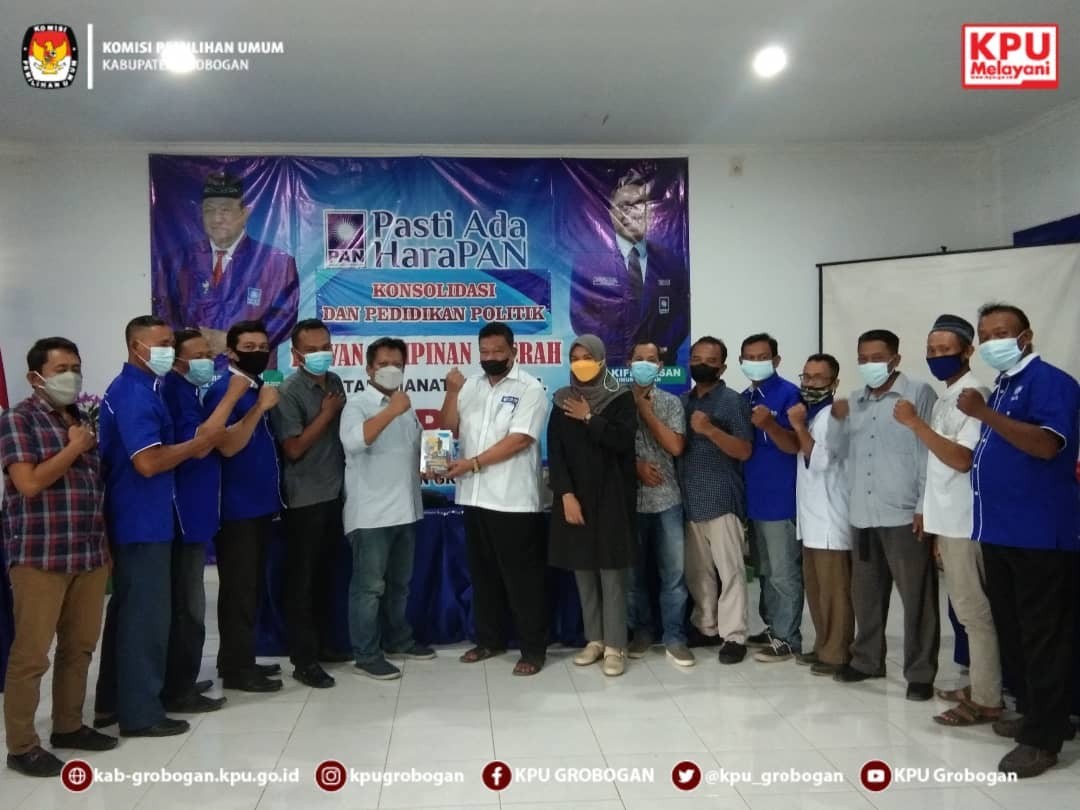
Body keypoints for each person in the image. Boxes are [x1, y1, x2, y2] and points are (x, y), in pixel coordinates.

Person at [93, 316, 226, 737]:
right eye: (163, 343)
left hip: (151, 518)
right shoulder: (134, 394)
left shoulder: (149, 388)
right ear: (137, 347)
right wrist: (196, 444)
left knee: (136, 614)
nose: (171, 350)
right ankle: (141, 713)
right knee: (145, 620)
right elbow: (148, 462)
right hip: (140, 520)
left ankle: (115, 703)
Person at [964, 303, 1079, 778]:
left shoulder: (1049, 381)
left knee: (1043, 636)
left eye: (1002, 332)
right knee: (1014, 631)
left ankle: (1043, 740)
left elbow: (1047, 445)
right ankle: (1039, 714)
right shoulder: (1005, 384)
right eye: (985, 334)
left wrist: (983, 413)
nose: (992, 342)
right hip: (1001, 528)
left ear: (1025, 336)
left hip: (1040, 532)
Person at [1, 338, 115, 777]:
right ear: (35, 377)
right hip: (40, 555)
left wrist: (106, 551)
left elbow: (92, 489)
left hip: (88, 552)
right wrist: (73, 448)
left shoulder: (80, 419)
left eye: (76, 367)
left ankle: (68, 726)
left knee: (80, 646)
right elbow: (28, 484)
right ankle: (22, 746)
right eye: (61, 368)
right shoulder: (19, 419)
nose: (72, 376)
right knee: (32, 654)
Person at [892, 314, 1002, 727]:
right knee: (965, 610)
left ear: (968, 351)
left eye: (945, 350)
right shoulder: (946, 397)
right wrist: (927, 513)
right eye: (931, 350)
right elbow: (935, 465)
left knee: (975, 613)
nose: (936, 356)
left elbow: (960, 459)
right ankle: (980, 685)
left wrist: (914, 423)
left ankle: (988, 699)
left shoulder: (974, 395)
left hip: (966, 521)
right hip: (947, 520)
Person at [828, 329, 939, 701]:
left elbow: (927, 453)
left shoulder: (918, 394)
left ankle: (920, 673)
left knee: (917, 598)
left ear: (895, 359)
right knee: (866, 595)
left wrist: (923, 506)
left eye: (877, 358)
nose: (869, 365)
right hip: (863, 514)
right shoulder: (855, 400)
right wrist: (837, 420)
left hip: (904, 514)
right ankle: (866, 660)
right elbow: (838, 452)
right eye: (863, 359)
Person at [439, 322, 549, 676]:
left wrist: (472, 463)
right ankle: (490, 640)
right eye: (484, 352)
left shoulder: (530, 388)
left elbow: (520, 439)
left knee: (522, 579)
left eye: (498, 351)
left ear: (514, 351)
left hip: (512, 499)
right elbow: (449, 428)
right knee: (483, 575)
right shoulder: (470, 385)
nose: (490, 357)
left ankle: (533, 649)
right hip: (473, 497)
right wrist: (451, 393)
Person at [159, 329, 249, 713]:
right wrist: (231, 397)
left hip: (198, 514)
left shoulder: (190, 391)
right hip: (183, 516)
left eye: (209, 355)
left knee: (190, 603)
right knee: (189, 607)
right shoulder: (175, 391)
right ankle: (179, 690)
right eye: (198, 356)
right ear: (178, 360)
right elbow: (200, 443)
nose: (207, 362)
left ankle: (184, 678)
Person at [340, 337, 435, 680]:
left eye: (397, 364)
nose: (391, 370)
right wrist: (391, 410)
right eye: (383, 364)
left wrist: (429, 464)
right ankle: (366, 654)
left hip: (406, 510)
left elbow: (414, 449)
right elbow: (354, 441)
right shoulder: (358, 405)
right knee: (369, 589)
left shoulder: (405, 406)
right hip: (371, 515)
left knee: (399, 585)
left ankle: (398, 640)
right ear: (369, 369)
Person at [549, 336, 638, 676]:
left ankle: (615, 646)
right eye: (575, 357)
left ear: (601, 360)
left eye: (587, 356)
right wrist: (565, 495)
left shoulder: (620, 398)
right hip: (575, 499)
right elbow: (556, 452)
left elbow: (622, 441)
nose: (581, 362)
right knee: (583, 571)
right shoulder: (562, 399)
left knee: (611, 574)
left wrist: (589, 417)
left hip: (612, 498)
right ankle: (595, 640)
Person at [203, 320, 284, 692]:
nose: (258, 353)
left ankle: (240, 659)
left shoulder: (258, 385)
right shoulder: (226, 389)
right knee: (239, 591)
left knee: (251, 589)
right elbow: (227, 445)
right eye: (249, 347)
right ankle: (237, 670)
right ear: (231, 352)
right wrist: (259, 408)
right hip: (237, 510)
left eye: (263, 347)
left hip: (260, 505)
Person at [269, 319, 350, 689]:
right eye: (312, 350)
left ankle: (323, 646)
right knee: (301, 582)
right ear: (297, 354)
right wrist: (327, 414)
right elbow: (294, 448)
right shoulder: (288, 391)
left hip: (335, 494)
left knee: (326, 577)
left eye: (325, 347)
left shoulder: (334, 382)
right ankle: (303, 660)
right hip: (305, 499)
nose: (321, 355)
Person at [152, 171, 299, 364]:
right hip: (193, 368)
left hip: (250, 370)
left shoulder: (277, 263)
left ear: (245, 213)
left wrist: (233, 341)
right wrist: (193, 341)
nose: (217, 219)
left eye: (225, 210)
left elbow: (284, 318)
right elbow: (164, 310)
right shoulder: (176, 261)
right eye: (209, 210)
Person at [678, 337, 754, 664]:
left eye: (710, 361)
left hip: (723, 499)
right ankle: (706, 626)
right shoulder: (683, 401)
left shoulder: (732, 401)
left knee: (731, 570)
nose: (702, 365)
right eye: (697, 358)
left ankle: (734, 635)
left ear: (722, 367)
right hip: (689, 500)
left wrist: (710, 430)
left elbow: (744, 450)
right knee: (698, 573)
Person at [569, 169, 689, 366]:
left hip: (660, 367)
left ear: (650, 210)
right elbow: (580, 317)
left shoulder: (671, 261)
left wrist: (654, 351)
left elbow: (682, 315)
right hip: (609, 367)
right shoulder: (588, 263)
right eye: (623, 206)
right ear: (611, 212)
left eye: (638, 204)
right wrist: (624, 351)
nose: (630, 212)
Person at [625, 341, 694, 667]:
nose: (644, 364)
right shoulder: (615, 400)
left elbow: (676, 446)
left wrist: (646, 412)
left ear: (660, 367)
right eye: (639, 359)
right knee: (633, 578)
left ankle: (675, 637)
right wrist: (635, 467)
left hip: (667, 500)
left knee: (674, 577)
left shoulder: (670, 402)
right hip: (629, 503)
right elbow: (606, 450)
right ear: (629, 363)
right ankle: (641, 632)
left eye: (651, 360)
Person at [787, 353, 854, 677]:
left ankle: (837, 652)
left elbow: (821, 460)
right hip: (812, 519)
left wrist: (798, 426)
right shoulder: (815, 415)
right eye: (806, 377)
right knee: (816, 590)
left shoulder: (836, 417)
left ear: (834, 383)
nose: (810, 383)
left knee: (834, 592)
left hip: (831, 519)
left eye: (818, 378)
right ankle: (823, 645)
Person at [738, 333, 803, 663]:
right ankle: (773, 627)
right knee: (764, 569)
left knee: (782, 572)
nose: (755, 362)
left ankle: (788, 637)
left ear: (776, 360)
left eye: (762, 357)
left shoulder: (789, 393)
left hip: (780, 499)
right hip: (754, 499)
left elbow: (795, 445)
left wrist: (769, 425)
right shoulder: (744, 397)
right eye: (749, 357)